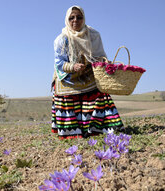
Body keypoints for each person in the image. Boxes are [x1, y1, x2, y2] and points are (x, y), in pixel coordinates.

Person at [51, 6, 124, 139]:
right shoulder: (61, 39)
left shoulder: (93, 35)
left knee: (100, 93)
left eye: (79, 17)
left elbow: (100, 56)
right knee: (66, 96)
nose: (75, 20)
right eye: (71, 17)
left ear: (84, 18)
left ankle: (95, 129)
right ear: (67, 20)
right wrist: (73, 67)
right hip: (68, 77)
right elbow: (59, 63)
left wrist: (105, 63)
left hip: (88, 73)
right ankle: (72, 132)